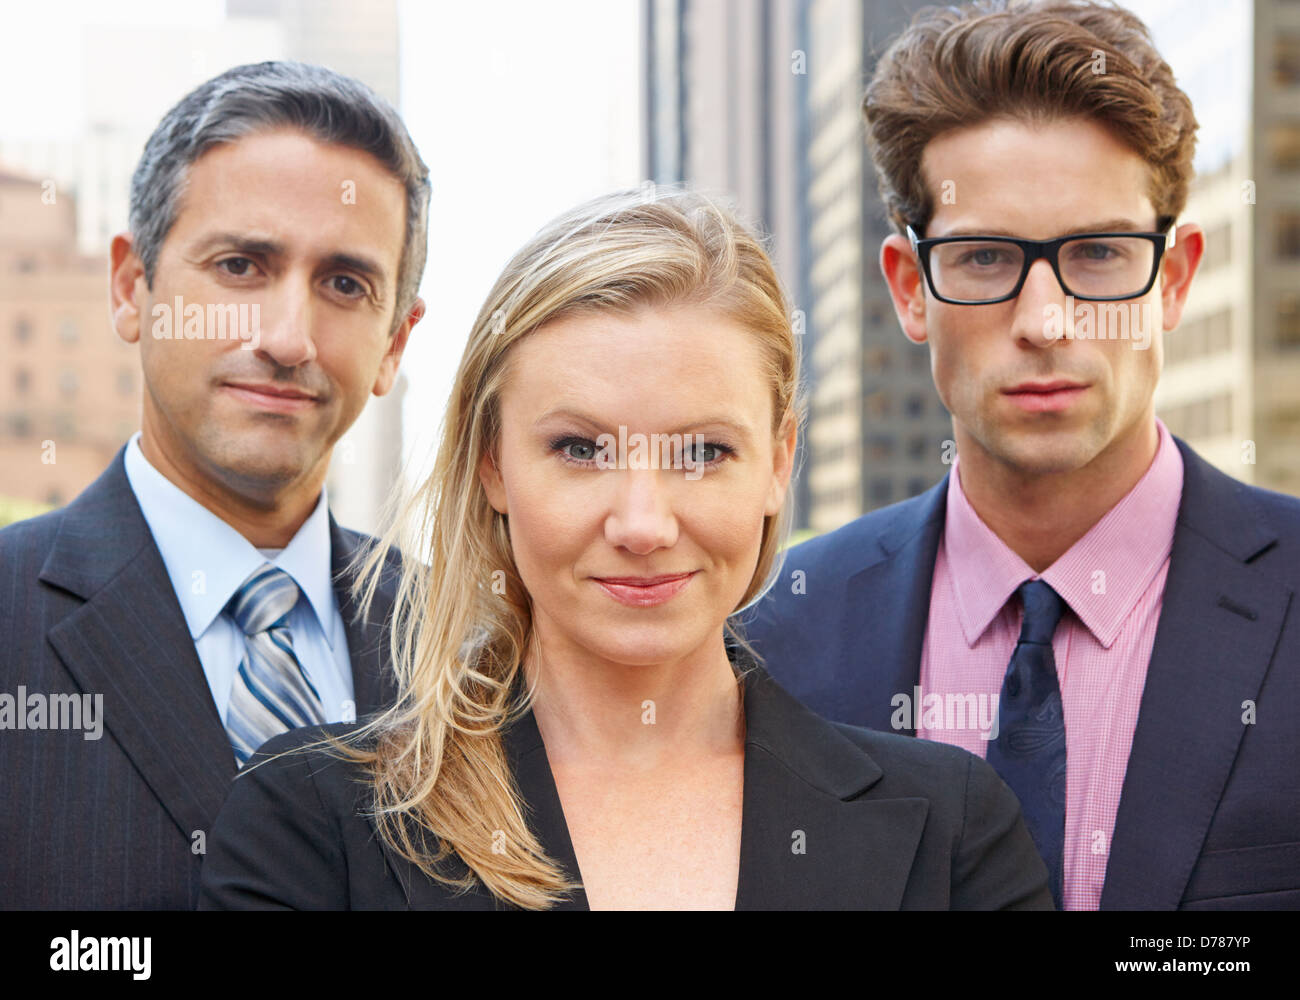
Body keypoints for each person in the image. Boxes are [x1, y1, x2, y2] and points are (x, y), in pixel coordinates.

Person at [198, 189, 1053, 910]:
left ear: (778, 463)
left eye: (703, 452)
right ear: (493, 464)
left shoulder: (953, 833)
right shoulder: (311, 821)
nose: (642, 525)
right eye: (580, 449)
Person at [742, 0, 1300, 910]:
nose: (1045, 323)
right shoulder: (773, 644)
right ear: (909, 289)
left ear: (1177, 278)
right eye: (985, 259)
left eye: (1101, 252)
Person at [0, 61, 428, 908]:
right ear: (133, 289)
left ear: (394, 343)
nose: (287, 337)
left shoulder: (465, 655)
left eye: (345, 284)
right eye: (240, 266)